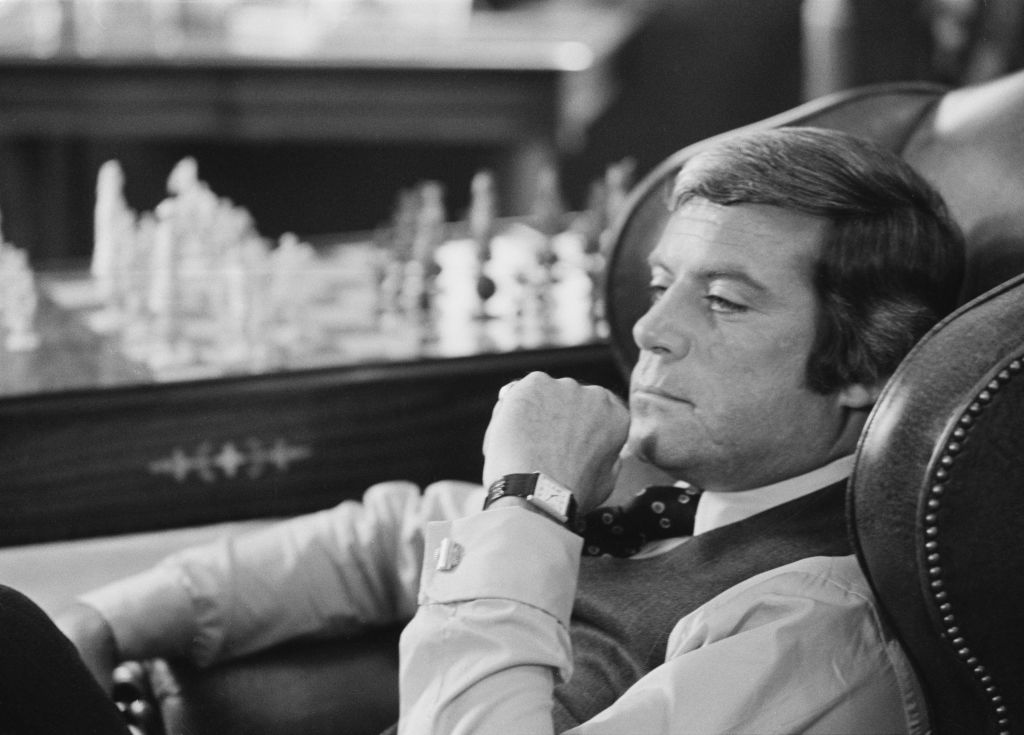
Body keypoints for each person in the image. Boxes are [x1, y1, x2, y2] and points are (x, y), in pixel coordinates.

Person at [58, 127, 965, 734]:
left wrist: (527, 504)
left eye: (724, 300)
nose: (652, 328)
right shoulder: (680, 480)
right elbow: (391, 538)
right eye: (662, 285)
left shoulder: (808, 621)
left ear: (864, 364)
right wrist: (104, 619)